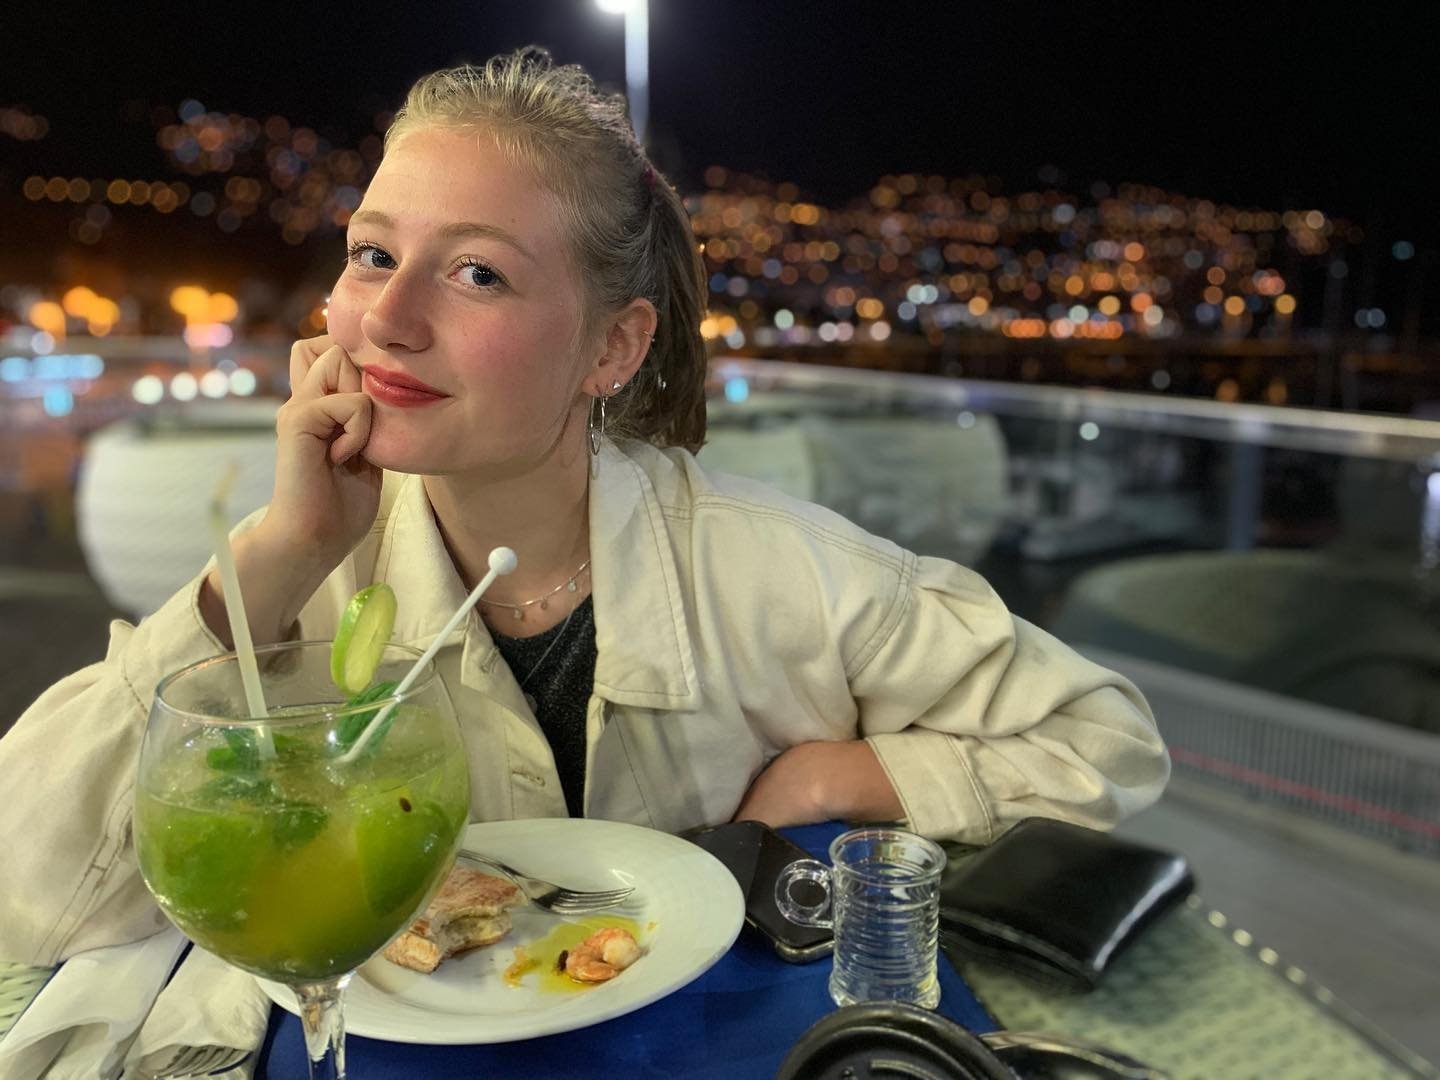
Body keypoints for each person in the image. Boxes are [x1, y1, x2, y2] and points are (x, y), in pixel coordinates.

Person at [0, 48, 1168, 967]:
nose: (388, 320)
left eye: (478, 272)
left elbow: (1104, 742)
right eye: (372, 255)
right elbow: (32, 894)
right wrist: (280, 552)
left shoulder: (773, 571)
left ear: (613, 347)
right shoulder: (305, 581)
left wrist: (835, 783)